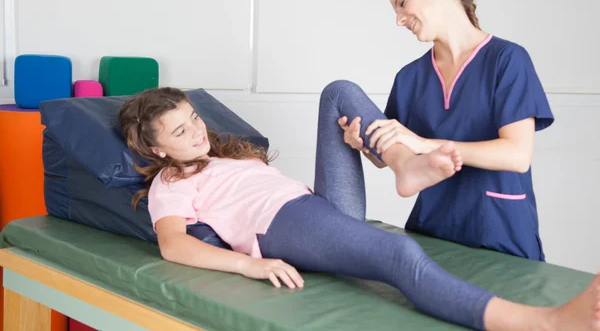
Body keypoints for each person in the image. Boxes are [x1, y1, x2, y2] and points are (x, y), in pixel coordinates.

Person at [119, 83, 599, 331]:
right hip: (283, 225)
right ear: (157, 149)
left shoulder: (223, 156)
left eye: (194, 118)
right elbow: (174, 245)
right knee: (399, 255)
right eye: (180, 132)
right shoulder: (171, 182)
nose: (197, 131)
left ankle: (404, 164)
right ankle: (545, 323)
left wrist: (355, 142)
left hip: (314, 208)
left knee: (340, 92)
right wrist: (250, 264)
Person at [339, 0, 554, 261]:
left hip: (498, 236)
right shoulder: (410, 77)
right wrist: (362, 144)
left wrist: (426, 144)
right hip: (432, 235)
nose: (399, 20)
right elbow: (390, 157)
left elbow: (517, 155)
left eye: (402, 3)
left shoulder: (507, 60)